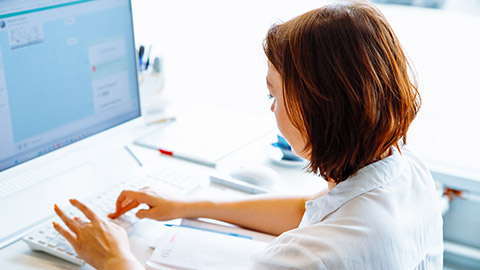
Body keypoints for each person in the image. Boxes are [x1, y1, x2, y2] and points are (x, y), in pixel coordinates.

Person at [53, 1, 443, 269]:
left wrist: (113, 258)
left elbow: (316, 238)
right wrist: (187, 206)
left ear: (315, 109)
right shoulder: (407, 173)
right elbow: (310, 211)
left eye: (273, 93)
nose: (270, 106)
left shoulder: (313, 258)